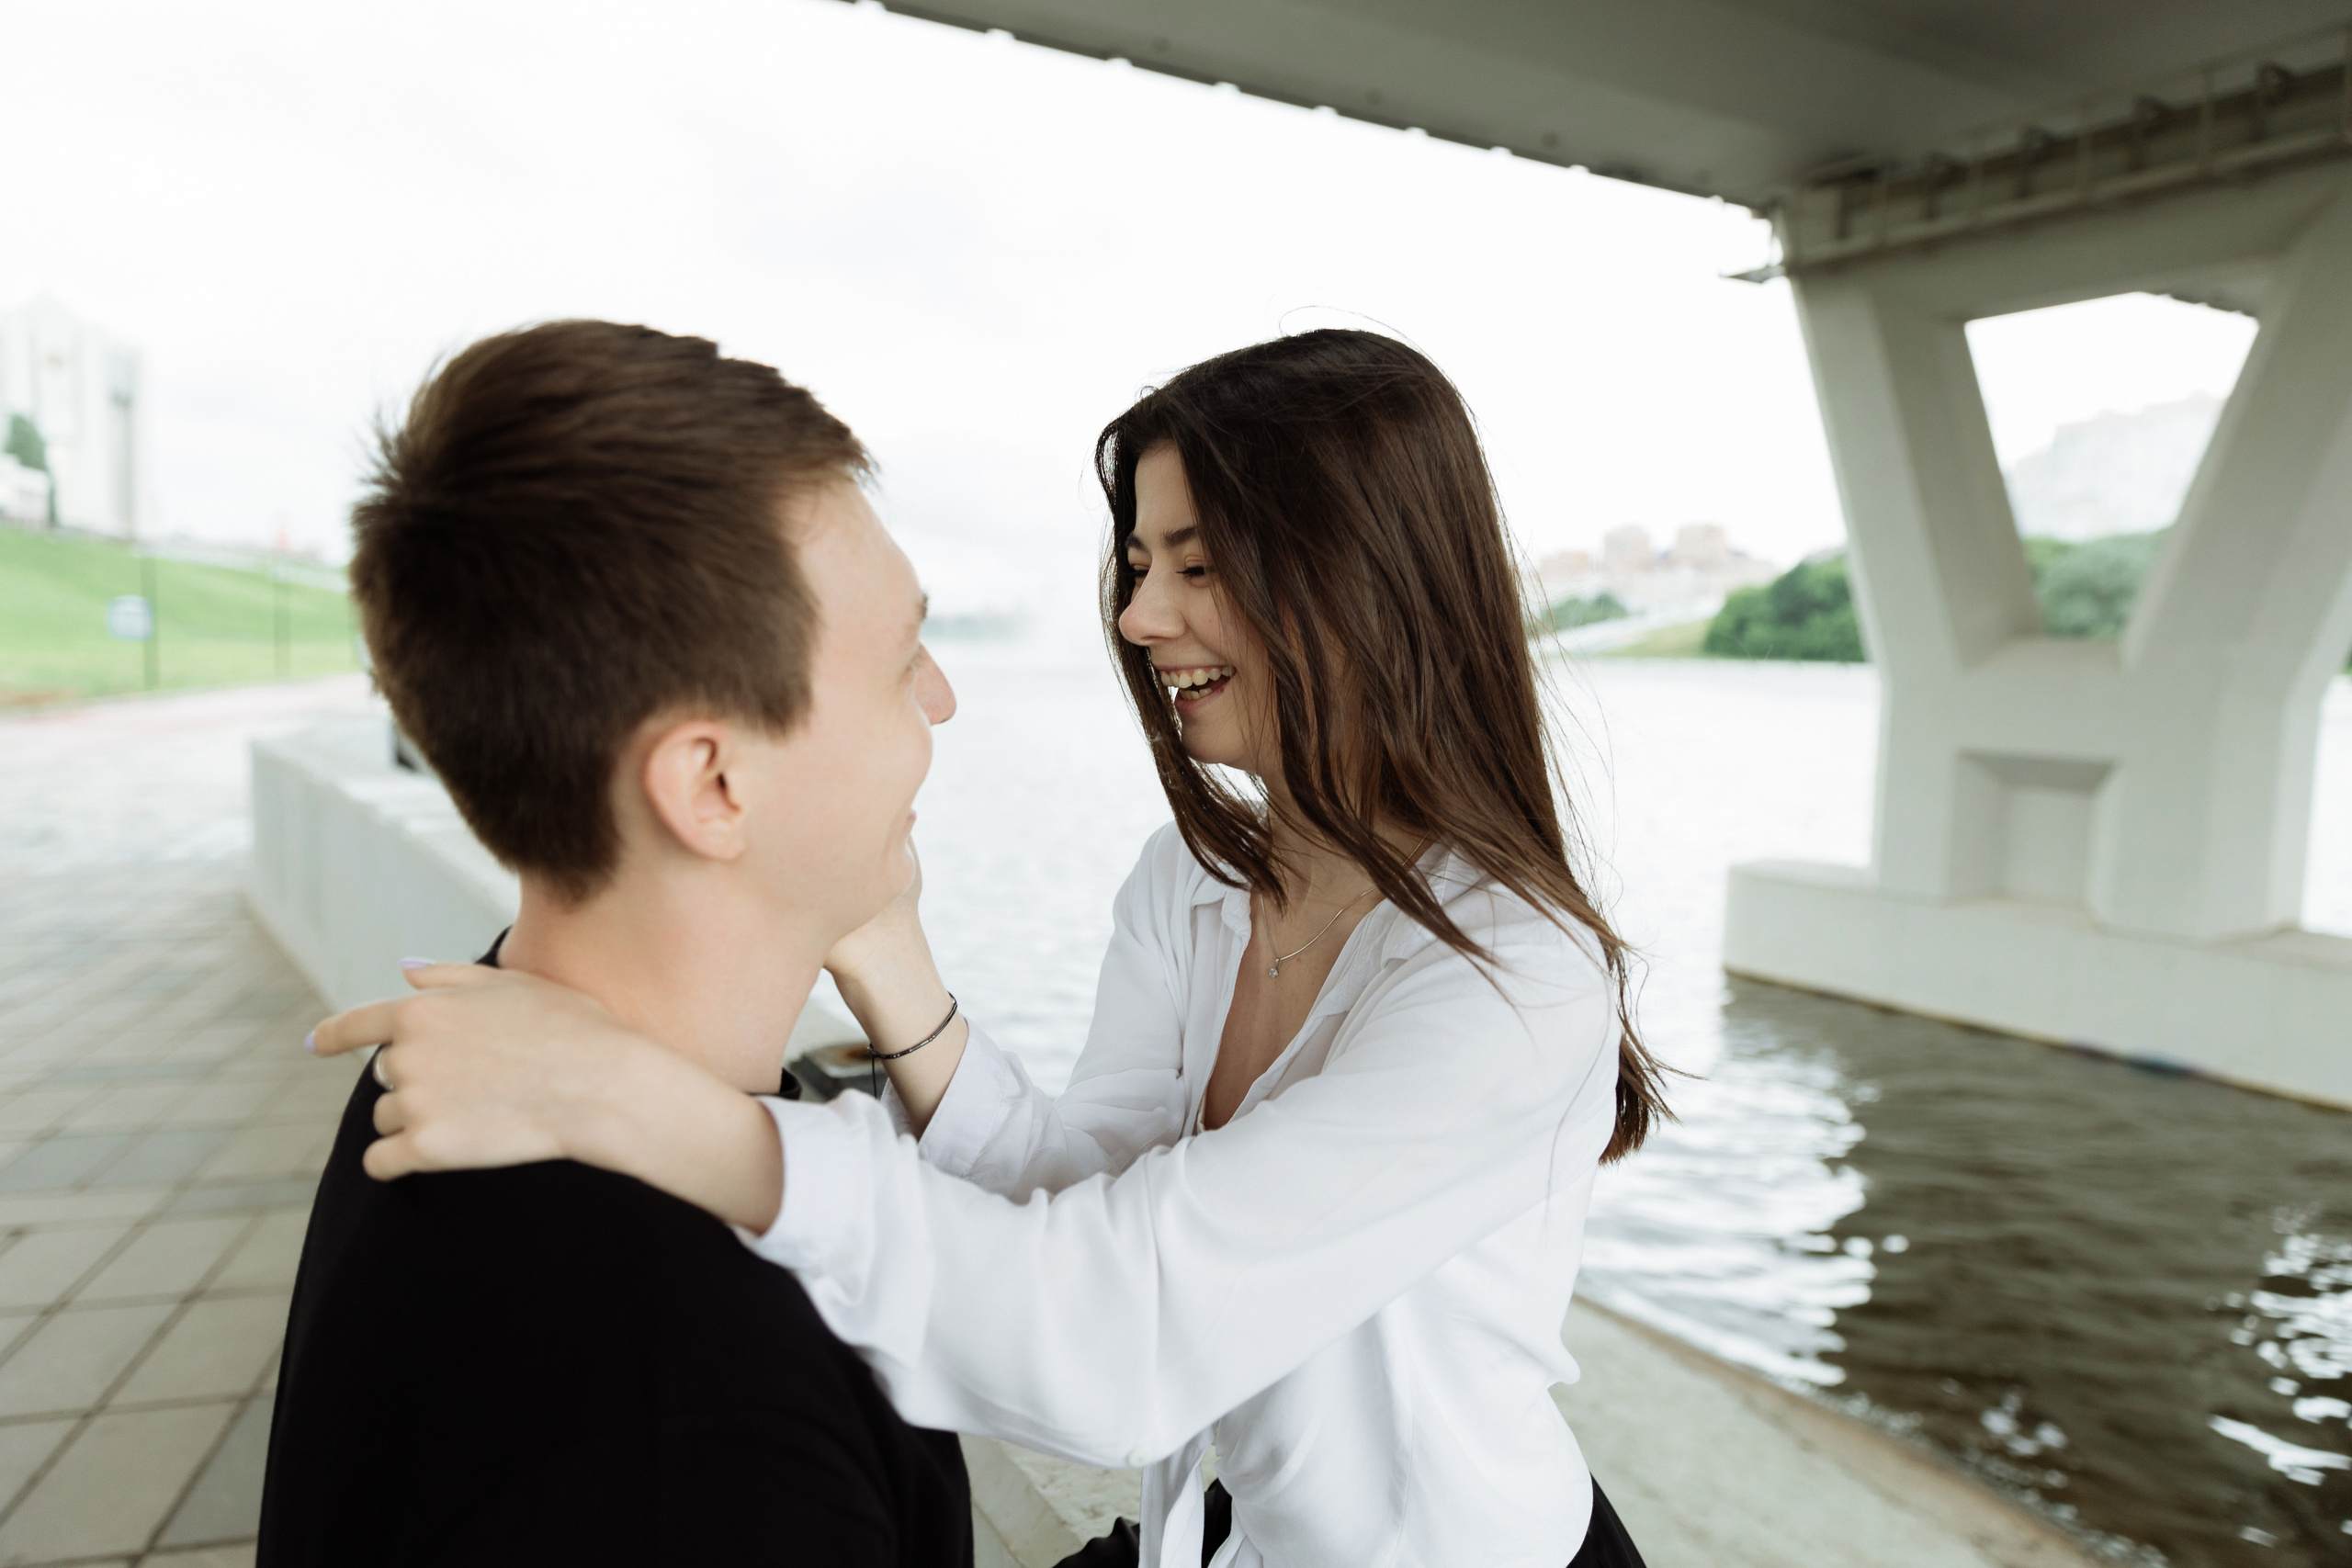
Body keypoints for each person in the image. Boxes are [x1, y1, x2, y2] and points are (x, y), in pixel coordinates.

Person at [313, 329, 1668, 1568]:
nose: (1139, 620)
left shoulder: (1512, 974)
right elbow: (1091, 1204)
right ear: (713, 786)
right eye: (1141, 565)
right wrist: (881, 948)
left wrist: (654, 1105)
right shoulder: (1193, 882)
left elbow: (1123, 1329)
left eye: (1197, 567)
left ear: (1366, 583)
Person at [259, 321, 972, 1568]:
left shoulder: (461, 1062)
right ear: (712, 785)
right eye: (901, 658)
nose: (940, 702)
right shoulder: (691, 1420)